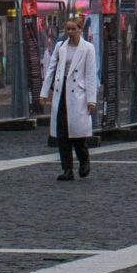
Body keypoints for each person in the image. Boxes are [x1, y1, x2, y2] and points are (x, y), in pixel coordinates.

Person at [40, 14, 100, 180]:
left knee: (78, 134)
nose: (70, 32)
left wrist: (91, 99)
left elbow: (90, 74)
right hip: (61, 91)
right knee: (62, 134)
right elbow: (51, 70)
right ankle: (67, 169)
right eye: (68, 29)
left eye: (74, 29)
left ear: (80, 30)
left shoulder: (88, 48)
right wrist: (44, 93)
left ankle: (84, 159)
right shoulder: (60, 46)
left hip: (78, 94)